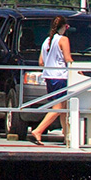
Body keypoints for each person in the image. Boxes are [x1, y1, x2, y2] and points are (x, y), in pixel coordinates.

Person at [30, 15, 73, 145]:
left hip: (49, 76)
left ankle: (67, 136)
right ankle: (38, 130)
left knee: (63, 108)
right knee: (59, 107)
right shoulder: (63, 40)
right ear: (65, 27)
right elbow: (68, 58)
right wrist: (79, 70)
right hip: (60, 76)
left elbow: (41, 62)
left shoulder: (47, 41)